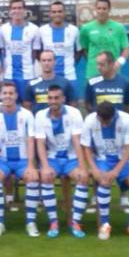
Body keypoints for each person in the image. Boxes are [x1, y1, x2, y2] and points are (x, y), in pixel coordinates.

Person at [77, 101, 129, 240]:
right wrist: (94, 169)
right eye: (102, 121)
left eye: (107, 121)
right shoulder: (90, 120)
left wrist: (116, 170)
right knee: (104, 180)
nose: (104, 124)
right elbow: (86, 148)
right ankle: (105, 224)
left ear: (114, 116)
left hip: (123, 160)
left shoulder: (127, 120)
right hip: (102, 160)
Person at [34, 85, 88, 237]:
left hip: (71, 158)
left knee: (82, 178)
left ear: (63, 99)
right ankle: (53, 222)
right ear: (47, 99)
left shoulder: (74, 113)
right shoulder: (40, 115)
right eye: (50, 98)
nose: (53, 101)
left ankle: (75, 222)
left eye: (57, 98)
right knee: (46, 176)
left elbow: (77, 141)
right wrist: (44, 166)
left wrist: (83, 167)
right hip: (52, 158)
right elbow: (40, 143)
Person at [0, 81, 37, 237]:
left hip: (22, 160)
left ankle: (30, 222)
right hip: (3, 160)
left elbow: (31, 140)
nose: (8, 96)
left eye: (11, 93)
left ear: (16, 95)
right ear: (0, 95)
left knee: (33, 178)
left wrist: (30, 164)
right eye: (5, 93)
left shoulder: (27, 115)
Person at [79, 0, 129, 80]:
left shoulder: (119, 28)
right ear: (95, 9)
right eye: (99, 8)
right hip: (93, 74)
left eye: (104, 8)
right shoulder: (86, 28)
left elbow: (126, 49)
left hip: (113, 73)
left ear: (109, 9)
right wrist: (93, 62)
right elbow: (84, 49)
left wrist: (119, 62)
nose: (101, 11)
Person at [38, 1, 81, 81]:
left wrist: (70, 64)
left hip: (69, 76)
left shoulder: (74, 30)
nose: (57, 14)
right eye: (54, 12)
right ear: (50, 14)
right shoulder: (42, 31)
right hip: (49, 76)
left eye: (60, 11)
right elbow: (38, 52)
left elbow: (78, 52)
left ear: (64, 13)